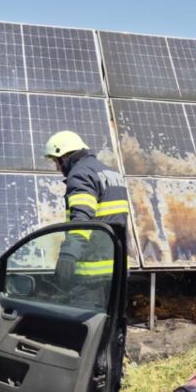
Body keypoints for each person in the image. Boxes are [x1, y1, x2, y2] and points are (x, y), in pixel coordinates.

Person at [44, 131, 129, 308]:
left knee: (85, 321)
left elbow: (82, 218)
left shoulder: (81, 174)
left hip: (91, 274)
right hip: (117, 268)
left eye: (56, 161)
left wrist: (68, 254)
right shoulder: (111, 173)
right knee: (110, 321)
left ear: (64, 156)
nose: (57, 168)